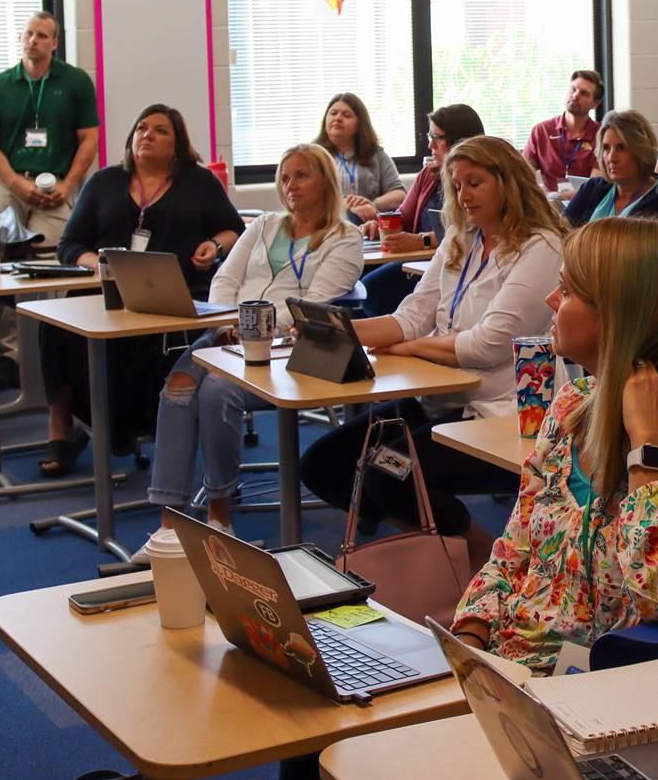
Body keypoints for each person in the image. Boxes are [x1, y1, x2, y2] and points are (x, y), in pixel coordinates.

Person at [451, 218, 658, 673]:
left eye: (568, 291)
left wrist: (647, 447)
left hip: (606, 691)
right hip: (509, 668)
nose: (551, 301)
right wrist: (467, 643)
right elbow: (514, 552)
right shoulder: (572, 404)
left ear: (617, 314)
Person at [299, 135, 566, 537]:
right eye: (457, 186)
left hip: (503, 413)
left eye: (474, 183)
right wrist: (336, 330)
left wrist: (410, 348)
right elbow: (412, 315)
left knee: (387, 474)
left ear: (507, 182)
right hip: (442, 402)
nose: (463, 197)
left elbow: (487, 345)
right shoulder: (464, 239)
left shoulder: (541, 246)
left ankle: (477, 548)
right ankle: (429, 537)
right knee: (323, 465)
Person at [146, 143, 363, 531]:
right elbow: (225, 279)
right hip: (228, 334)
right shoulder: (265, 224)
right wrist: (224, 325)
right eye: (284, 177)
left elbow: (313, 305)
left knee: (216, 391)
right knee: (176, 388)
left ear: (325, 181)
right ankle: (168, 523)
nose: (290, 185)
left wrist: (251, 327)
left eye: (301, 175)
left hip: (289, 346)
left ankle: (219, 514)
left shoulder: (344, 236)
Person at [44, 103, 244, 476]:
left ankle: (129, 428)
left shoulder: (199, 183)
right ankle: (61, 431)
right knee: (53, 327)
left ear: (178, 144)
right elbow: (69, 245)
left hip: (178, 291)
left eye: (159, 131)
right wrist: (100, 265)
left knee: (139, 340)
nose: (147, 135)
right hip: (107, 292)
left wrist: (214, 247)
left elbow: (235, 230)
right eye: (141, 129)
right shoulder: (104, 181)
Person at [0, 11, 100, 382]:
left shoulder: (75, 82)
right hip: (12, 182)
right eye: (29, 34)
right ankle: (11, 355)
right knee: (5, 264)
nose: (34, 41)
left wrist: (68, 184)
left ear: (55, 43)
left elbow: (88, 139)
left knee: (51, 260)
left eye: (43, 36)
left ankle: (53, 349)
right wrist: (15, 182)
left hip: (57, 185)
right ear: (20, 38)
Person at [354, 103, 483, 316]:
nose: (431, 145)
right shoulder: (429, 175)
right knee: (358, 286)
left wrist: (422, 240)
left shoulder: (474, 179)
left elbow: (469, 231)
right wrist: (379, 226)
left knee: (372, 290)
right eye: (429, 137)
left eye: (437, 138)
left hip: (445, 258)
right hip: (418, 258)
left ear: (459, 139)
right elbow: (403, 216)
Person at [562, 110, 658, 237]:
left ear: (641, 150)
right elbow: (561, 231)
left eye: (621, 148)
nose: (611, 157)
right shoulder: (592, 188)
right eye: (606, 148)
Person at [312, 92, 403, 226]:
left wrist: (371, 204)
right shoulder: (313, 156)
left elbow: (400, 195)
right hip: (328, 225)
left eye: (346, 115)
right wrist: (347, 205)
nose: (338, 118)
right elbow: (307, 199)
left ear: (360, 124)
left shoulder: (377, 155)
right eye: (333, 113)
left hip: (369, 224)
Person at [522, 69, 602, 193]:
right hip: (549, 205)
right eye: (573, 89)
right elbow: (523, 173)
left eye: (584, 93)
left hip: (585, 205)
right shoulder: (542, 130)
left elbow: (595, 185)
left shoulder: (601, 135)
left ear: (595, 104)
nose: (575, 95)